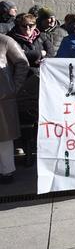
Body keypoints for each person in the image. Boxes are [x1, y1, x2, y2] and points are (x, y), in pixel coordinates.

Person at [0, 33, 28, 184]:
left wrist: (13, 87)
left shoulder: (4, 40)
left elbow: (22, 62)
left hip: (3, 97)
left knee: (4, 137)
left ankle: (6, 171)